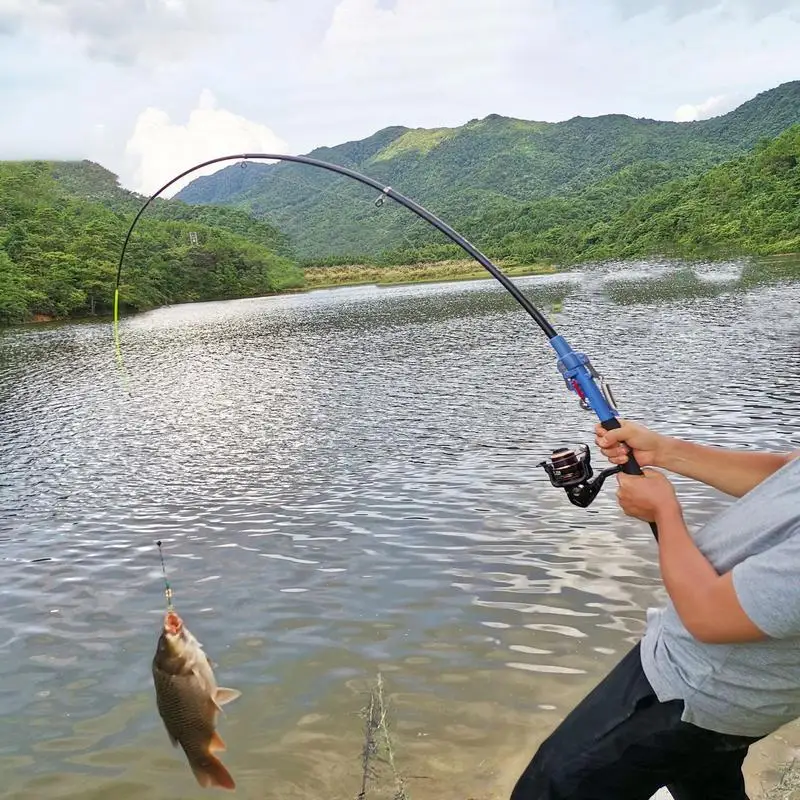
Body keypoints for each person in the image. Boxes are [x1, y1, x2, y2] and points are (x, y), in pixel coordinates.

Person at [510, 419, 800, 800]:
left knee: (552, 787)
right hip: (729, 693)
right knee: (705, 784)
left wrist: (664, 512)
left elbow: (710, 617)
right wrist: (664, 451)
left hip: (693, 691)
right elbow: (787, 476)